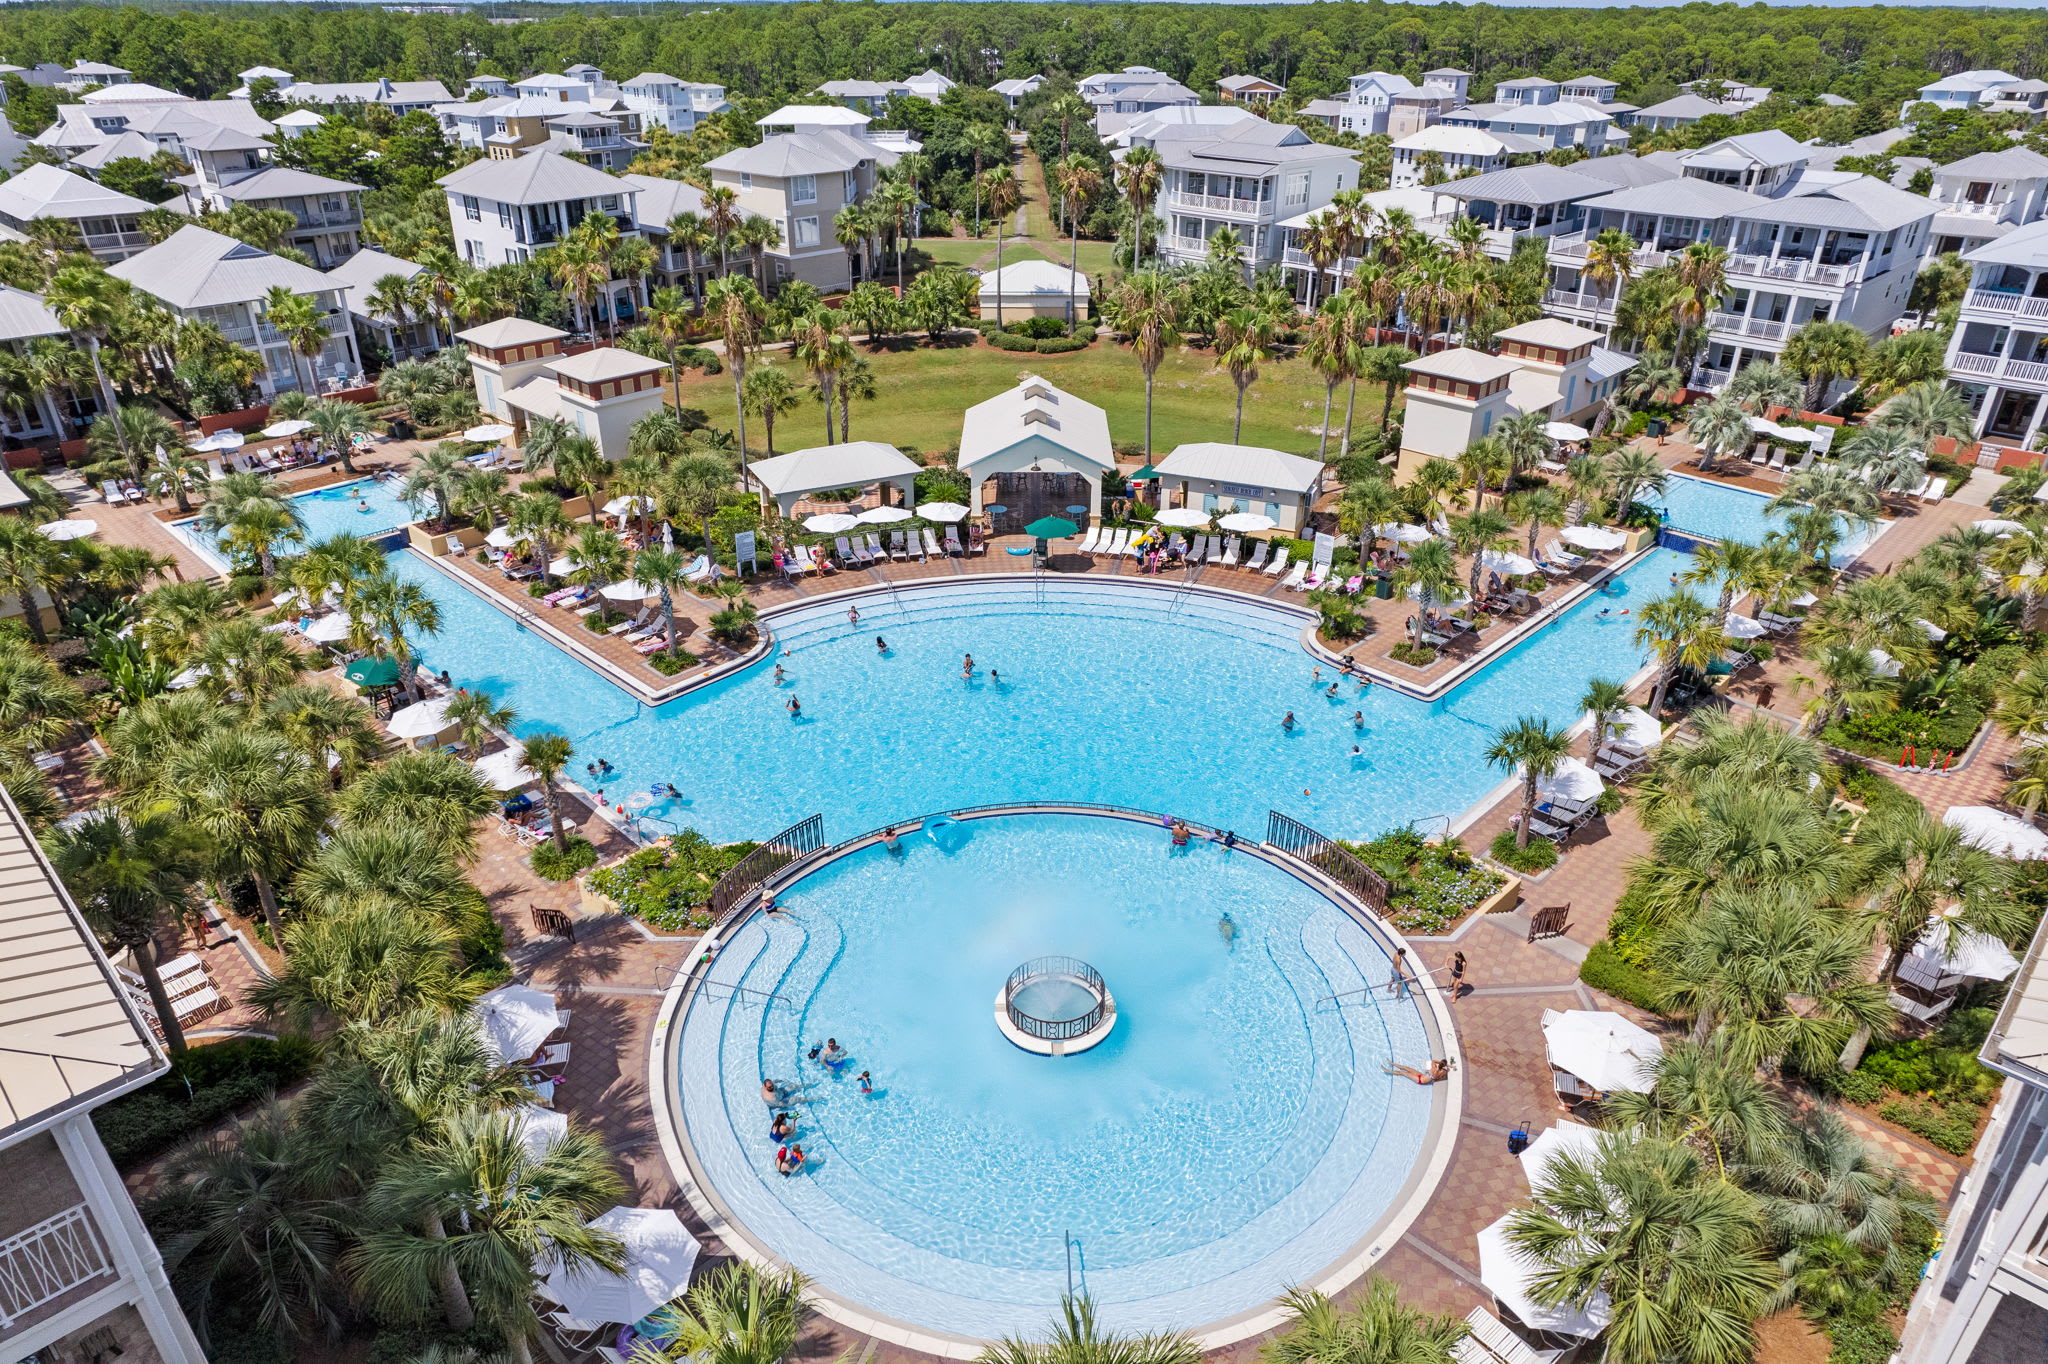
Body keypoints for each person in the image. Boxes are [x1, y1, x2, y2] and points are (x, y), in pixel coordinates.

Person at [1383, 1058, 1451, 1085]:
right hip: (1421, 1076)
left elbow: (1433, 1061)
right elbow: (1439, 1078)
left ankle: (1387, 1071)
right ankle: (1392, 1063)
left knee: (1403, 1072)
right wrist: (1447, 1066)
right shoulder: (1443, 1072)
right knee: (1407, 1068)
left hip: (1420, 1080)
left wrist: (1441, 1063)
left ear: (1440, 1063)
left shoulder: (1434, 1067)